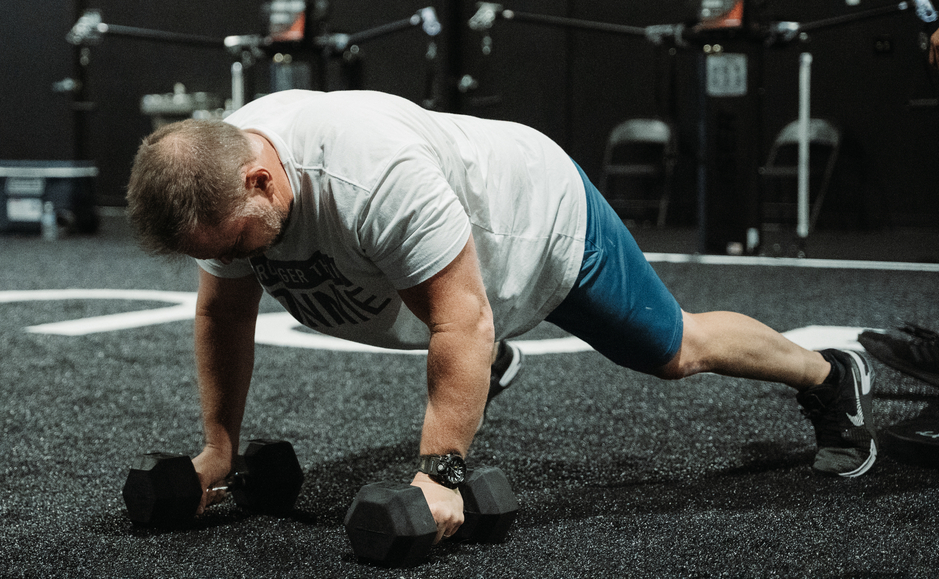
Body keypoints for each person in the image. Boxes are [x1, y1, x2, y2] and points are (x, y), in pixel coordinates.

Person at [126, 89, 876, 544]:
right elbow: (224, 315)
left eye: (238, 243)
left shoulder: (371, 175)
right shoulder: (220, 180)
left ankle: (828, 375)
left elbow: (461, 322)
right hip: (421, 267)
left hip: (540, 221)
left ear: (261, 179)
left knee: (673, 348)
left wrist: (441, 474)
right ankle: (488, 368)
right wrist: (218, 451)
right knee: (422, 316)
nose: (237, 260)